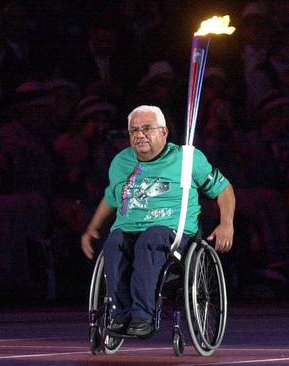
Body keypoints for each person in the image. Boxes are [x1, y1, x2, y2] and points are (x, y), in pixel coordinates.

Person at [80, 105, 235, 337]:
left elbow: (223, 189)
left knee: (150, 239)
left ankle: (143, 316)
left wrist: (227, 223)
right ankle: (120, 314)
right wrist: (92, 228)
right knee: (113, 242)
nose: (139, 135)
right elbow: (111, 198)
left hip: (173, 233)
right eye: (133, 131)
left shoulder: (187, 158)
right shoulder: (121, 162)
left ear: (163, 132)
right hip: (129, 229)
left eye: (146, 129)